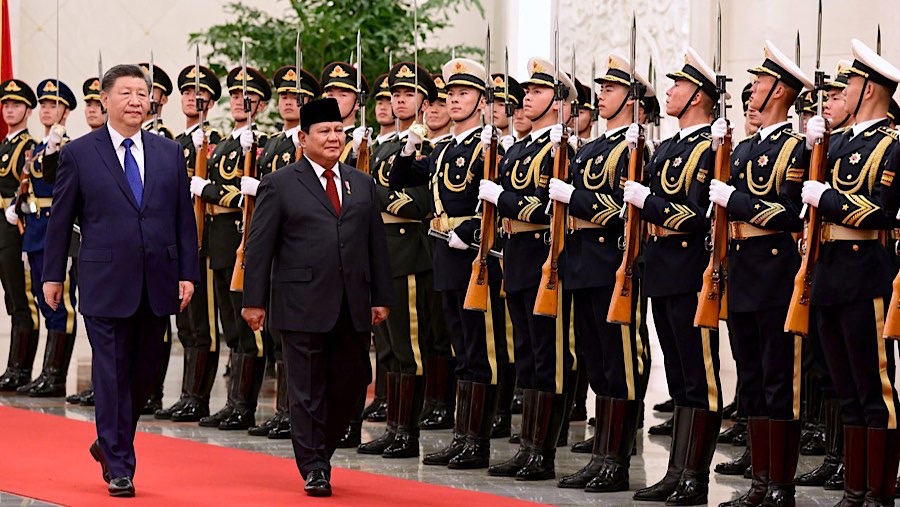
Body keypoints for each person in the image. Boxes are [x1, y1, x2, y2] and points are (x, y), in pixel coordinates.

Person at [42, 63, 198, 497]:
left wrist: (188, 272)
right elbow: (61, 220)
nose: (135, 101)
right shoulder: (80, 153)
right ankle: (119, 464)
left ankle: (109, 441)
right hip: (104, 279)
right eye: (125, 93)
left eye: (141, 93)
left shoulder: (168, 153)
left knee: (144, 375)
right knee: (110, 374)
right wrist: (52, 275)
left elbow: (183, 219)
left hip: (158, 279)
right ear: (106, 100)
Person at [241, 97, 392, 497]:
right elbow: (260, 246)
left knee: (354, 381)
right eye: (323, 131)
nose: (333, 137)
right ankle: (314, 466)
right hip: (301, 302)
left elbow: (376, 244)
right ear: (303, 138)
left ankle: (318, 451)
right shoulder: (281, 183)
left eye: (338, 130)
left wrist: (381, 295)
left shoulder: (361, 182)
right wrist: (253, 301)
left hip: (353, 303)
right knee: (306, 389)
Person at [711, 41, 811, 507]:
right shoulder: (746, 146)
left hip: (774, 272)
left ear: (779, 92)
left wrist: (739, 203)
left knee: (778, 382)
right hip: (742, 270)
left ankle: (780, 487)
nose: (753, 88)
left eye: (762, 82)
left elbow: (791, 214)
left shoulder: (795, 148)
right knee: (750, 378)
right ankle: (759, 482)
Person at [624, 47, 722, 505]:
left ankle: (695, 478)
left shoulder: (710, 148)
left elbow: (700, 216)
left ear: (698, 96)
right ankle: (677, 470)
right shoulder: (667, 147)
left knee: (699, 375)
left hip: (690, 271)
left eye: (677, 86)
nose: (668, 91)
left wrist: (651, 203)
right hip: (662, 268)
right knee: (680, 377)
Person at [553, 52, 653, 493]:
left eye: (611, 89)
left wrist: (574, 199)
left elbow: (624, 211)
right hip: (580, 263)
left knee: (620, 362)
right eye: (602, 88)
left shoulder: (636, 149)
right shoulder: (592, 145)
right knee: (595, 361)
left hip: (613, 263)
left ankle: (617, 456)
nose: (602, 95)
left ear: (632, 100)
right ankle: (601, 455)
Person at [809, 39, 900, 506]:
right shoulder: (838, 142)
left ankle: (879, 491)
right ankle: (854, 489)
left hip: (867, 272)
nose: (842, 90)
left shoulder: (892, 143)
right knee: (845, 389)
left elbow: (882, 210)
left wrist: (828, 200)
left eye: (850, 83)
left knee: (872, 389)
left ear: (868, 90)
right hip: (829, 273)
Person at [480, 57, 576, 482]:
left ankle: (544, 453)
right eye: (528, 92)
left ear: (559, 102)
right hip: (516, 258)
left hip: (545, 258)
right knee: (527, 358)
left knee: (548, 356)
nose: (526, 98)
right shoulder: (519, 147)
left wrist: (502, 199)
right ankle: (528, 447)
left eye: (537, 92)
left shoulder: (561, 149)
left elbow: (550, 208)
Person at [190, 65, 270, 431]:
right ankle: (234, 402)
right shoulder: (220, 145)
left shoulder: (263, 144)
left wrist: (207, 190)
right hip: (220, 242)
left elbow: (252, 196)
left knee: (247, 323)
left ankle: (245, 405)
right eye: (235, 96)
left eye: (247, 97)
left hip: (244, 240)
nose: (240, 101)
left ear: (262, 105)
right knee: (230, 326)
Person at [245, 64, 321, 440]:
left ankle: (295, 411)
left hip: (299, 246)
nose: (289, 102)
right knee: (276, 332)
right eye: (285, 97)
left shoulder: (311, 143)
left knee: (296, 334)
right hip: (273, 243)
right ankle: (282, 410)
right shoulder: (273, 143)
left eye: (297, 97)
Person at [156, 64, 224, 422]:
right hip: (172, 240)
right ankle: (186, 394)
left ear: (210, 103)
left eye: (198, 94)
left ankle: (198, 396)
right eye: (186, 92)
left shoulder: (216, 143)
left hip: (202, 240)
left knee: (203, 324)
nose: (190, 98)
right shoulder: (172, 144)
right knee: (184, 322)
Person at [17, 78, 77, 398]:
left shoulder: (66, 145)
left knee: (60, 304)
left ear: (65, 111)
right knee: (43, 301)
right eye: (43, 104)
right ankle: (45, 372)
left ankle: (55, 375)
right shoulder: (40, 147)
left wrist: (56, 149)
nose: (46, 109)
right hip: (37, 229)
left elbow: (60, 184)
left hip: (57, 230)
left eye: (53, 104)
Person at [0, 79, 39, 392]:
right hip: (1, 227)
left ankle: (20, 368)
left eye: (15, 105)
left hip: (15, 227)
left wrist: (17, 207)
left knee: (21, 299)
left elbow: (29, 189)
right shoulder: (4, 146)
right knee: (10, 299)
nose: (9, 109)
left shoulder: (28, 147)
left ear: (27, 110)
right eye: (6, 105)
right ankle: (12, 366)